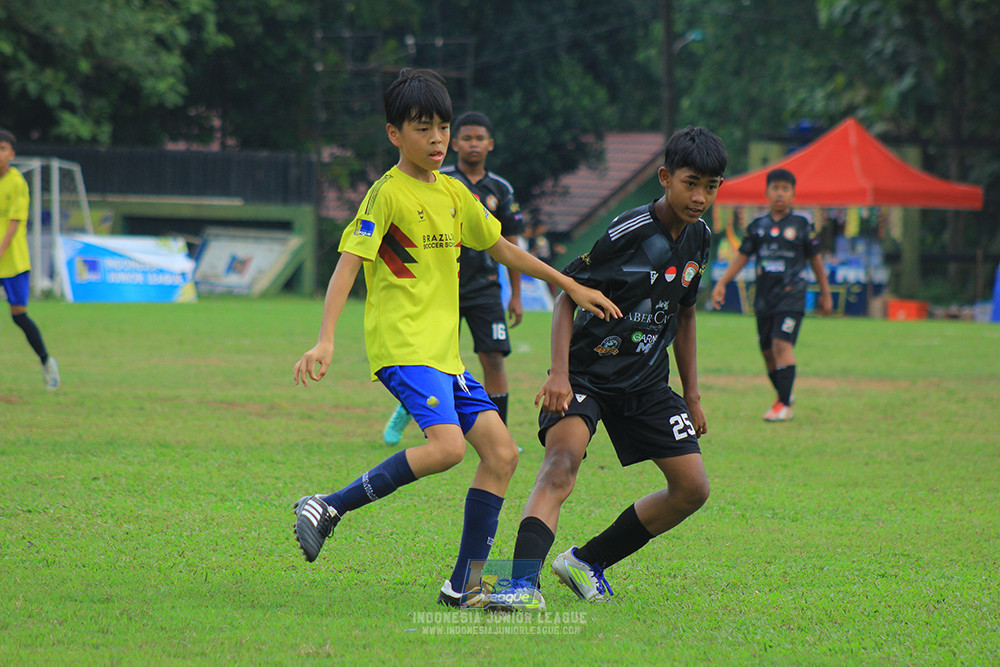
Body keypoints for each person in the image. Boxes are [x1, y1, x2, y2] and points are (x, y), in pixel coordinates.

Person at [290, 69, 620, 610]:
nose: (438, 138)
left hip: (445, 356)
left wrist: (568, 284)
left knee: (502, 453)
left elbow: (504, 248)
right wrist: (325, 340)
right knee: (445, 449)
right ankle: (327, 506)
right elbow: (348, 267)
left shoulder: (453, 193)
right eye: (424, 128)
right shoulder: (386, 195)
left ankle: (462, 583)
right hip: (403, 348)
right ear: (395, 134)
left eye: (443, 126)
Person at [507, 126, 726, 602]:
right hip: (585, 374)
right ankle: (520, 584)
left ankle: (586, 561)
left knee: (692, 489)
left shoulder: (700, 238)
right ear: (666, 178)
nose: (700, 197)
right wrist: (559, 373)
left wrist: (691, 395)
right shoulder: (628, 232)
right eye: (691, 183)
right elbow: (568, 292)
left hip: (646, 381)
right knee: (561, 464)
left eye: (712, 187)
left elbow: (684, 314)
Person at [382, 111, 525, 447]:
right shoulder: (437, 179)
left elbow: (511, 244)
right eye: (466, 138)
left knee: (493, 357)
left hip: (485, 288)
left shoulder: (500, 189)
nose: (473, 144)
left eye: (480, 138)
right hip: (439, 288)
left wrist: (515, 295)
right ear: (455, 142)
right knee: (430, 361)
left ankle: (498, 434)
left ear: (490, 144)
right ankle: (407, 411)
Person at [710, 168, 832, 422]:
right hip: (765, 298)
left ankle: (784, 404)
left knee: (780, 344)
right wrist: (722, 282)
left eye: (785, 189)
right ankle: (784, 392)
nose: (780, 193)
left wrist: (825, 293)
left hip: (792, 294)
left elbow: (816, 260)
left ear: (793, 194)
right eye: (775, 188)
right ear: (766, 193)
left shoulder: (801, 225)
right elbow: (742, 257)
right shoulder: (758, 227)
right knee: (766, 350)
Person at [0, 128, 59, 391]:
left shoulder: (17, 183)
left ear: (12, 154)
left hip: (12, 261)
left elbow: (13, 225)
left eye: (2, 149)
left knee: (19, 316)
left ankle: (47, 362)